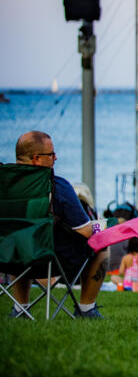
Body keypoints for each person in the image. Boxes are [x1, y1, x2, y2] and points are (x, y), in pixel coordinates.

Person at [10, 131, 108, 318]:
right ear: (37, 159)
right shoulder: (56, 185)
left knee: (18, 239)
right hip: (53, 260)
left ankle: (20, 309)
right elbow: (87, 231)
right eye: (51, 154)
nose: (56, 158)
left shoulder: (4, 186)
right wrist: (104, 225)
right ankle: (86, 309)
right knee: (102, 243)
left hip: (9, 257)